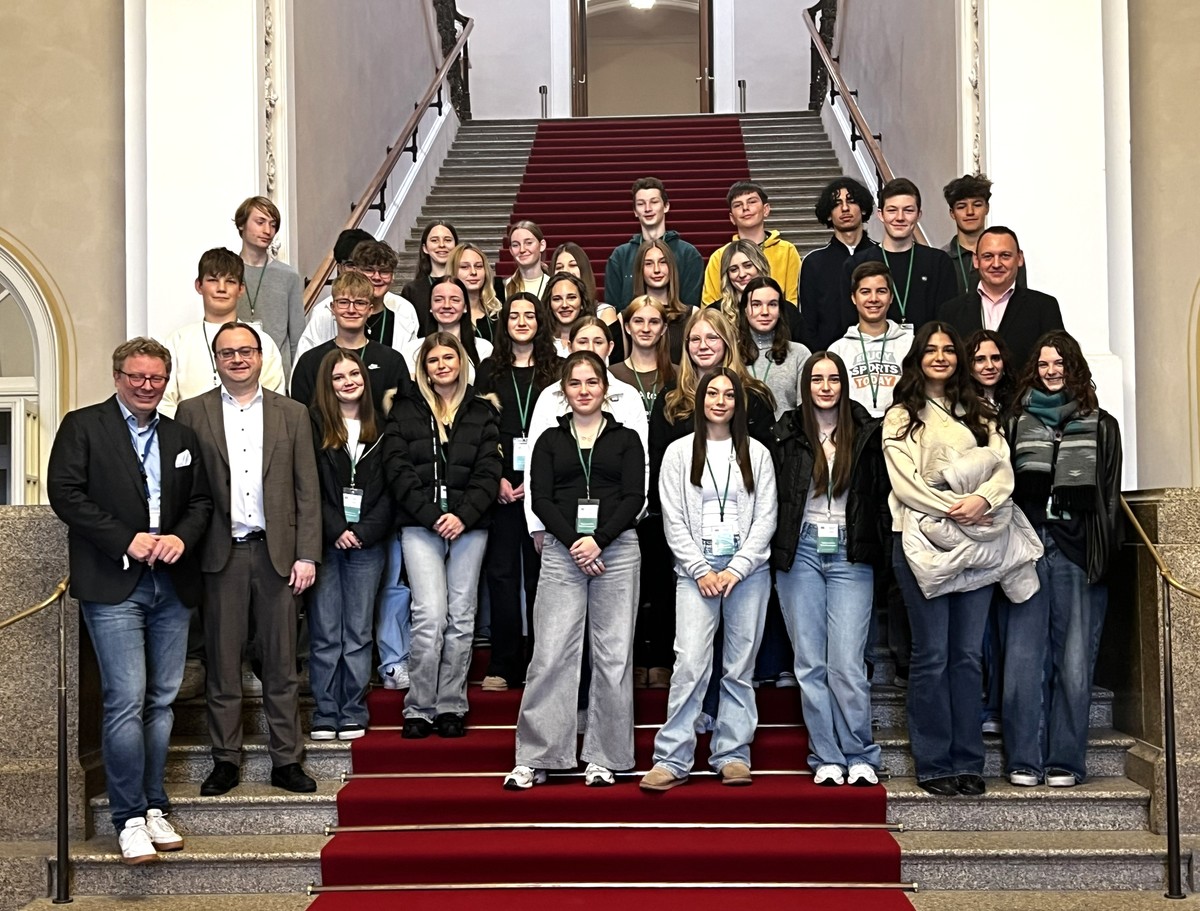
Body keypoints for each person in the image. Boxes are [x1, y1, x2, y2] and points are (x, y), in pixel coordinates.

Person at [47, 338, 213, 864]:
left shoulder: (181, 435)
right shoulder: (83, 425)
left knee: (162, 700)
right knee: (125, 698)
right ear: (118, 375)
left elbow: (202, 501)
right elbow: (65, 493)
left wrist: (181, 538)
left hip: (172, 584)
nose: (147, 387)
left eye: (156, 379)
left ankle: (154, 804)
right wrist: (126, 538)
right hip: (114, 583)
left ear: (167, 380)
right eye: (137, 377)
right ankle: (128, 818)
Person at [175, 322, 321, 797]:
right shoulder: (191, 413)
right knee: (221, 666)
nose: (237, 359)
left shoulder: (293, 413)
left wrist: (307, 555)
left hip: (278, 556)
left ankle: (286, 760)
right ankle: (225, 760)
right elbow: (185, 490)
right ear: (216, 360)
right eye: (227, 353)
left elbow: (308, 491)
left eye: (246, 351)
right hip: (220, 556)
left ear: (261, 357)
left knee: (281, 666)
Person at [882, 322, 1020, 798]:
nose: (940, 357)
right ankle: (935, 761)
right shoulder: (902, 415)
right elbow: (905, 483)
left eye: (948, 349)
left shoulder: (980, 412)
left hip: (978, 541)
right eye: (931, 350)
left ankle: (968, 760)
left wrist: (982, 501)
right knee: (933, 654)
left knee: (965, 656)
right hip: (922, 542)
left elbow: (1002, 468)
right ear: (918, 357)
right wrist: (950, 507)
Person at [505, 351, 645, 789]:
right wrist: (575, 543)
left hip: (616, 551)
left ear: (605, 388)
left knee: (613, 656)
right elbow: (541, 498)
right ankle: (537, 755)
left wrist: (598, 540)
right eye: (575, 384)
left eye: (592, 382)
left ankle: (606, 756)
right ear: (563, 392)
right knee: (550, 654)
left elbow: (634, 496)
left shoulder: (626, 439)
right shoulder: (549, 439)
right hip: (563, 553)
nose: (584, 391)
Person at [640, 369, 777, 791]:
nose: (720, 400)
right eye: (712, 393)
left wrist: (736, 569)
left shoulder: (757, 453)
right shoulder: (680, 453)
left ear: (739, 403)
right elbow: (672, 517)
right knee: (691, 663)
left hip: (747, 575)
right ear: (699, 401)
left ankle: (733, 753)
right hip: (695, 574)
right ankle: (672, 757)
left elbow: (766, 517)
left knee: (738, 667)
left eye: (729, 394)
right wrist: (701, 569)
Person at [1004, 331, 1122, 788]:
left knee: (1074, 664)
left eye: (1060, 365)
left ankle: (1065, 762)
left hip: (1077, 552)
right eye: (1044, 365)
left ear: (1075, 370)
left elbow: (1109, 500)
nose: (1051, 372)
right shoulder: (1015, 422)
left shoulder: (1102, 424)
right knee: (1022, 661)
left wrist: (1103, 558)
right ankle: (1024, 760)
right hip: (1028, 551)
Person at [772, 351, 887, 787]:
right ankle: (826, 754)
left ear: (844, 383)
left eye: (833, 378)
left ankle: (860, 752)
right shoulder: (785, 433)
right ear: (805, 386)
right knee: (809, 664)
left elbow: (877, 499)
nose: (824, 386)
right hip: (799, 553)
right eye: (816, 379)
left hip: (849, 554)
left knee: (846, 663)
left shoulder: (866, 433)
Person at [647, 310, 776, 689]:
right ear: (685, 347)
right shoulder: (671, 402)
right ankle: (689, 729)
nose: (703, 346)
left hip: (744, 548)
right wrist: (695, 562)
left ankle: (730, 738)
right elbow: (661, 477)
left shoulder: (753, 398)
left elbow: (765, 483)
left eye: (712, 338)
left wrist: (741, 561)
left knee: (738, 659)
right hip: (689, 545)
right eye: (695, 339)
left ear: (728, 343)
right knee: (692, 654)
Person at [385, 333, 502, 738]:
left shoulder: (482, 410)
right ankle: (418, 706)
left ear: (461, 362)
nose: (441, 365)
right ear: (424, 366)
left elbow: (489, 472)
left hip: (469, 526)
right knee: (430, 615)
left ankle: (451, 704)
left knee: (461, 616)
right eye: (433, 359)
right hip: (421, 525)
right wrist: (435, 515)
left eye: (448, 357)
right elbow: (397, 470)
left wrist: (462, 516)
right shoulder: (403, 410)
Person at [473, 293, 561, 691]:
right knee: (503, 574)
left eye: (530, 315)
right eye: (514, 316)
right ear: (503, 323)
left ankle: (544, 659)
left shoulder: (556, 370)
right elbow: (478, 429)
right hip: (502, 486)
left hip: (545, 489)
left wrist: (540, 483)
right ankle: (504, 662)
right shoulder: (490, 370)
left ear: (541, 321)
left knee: (543, 578)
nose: (522, 321)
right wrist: (496, 480)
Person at [307, 348, 394, 741]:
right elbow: (307, 487)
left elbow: (392, 490)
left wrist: (364, 531)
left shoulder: (385, 427)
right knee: (326, 632)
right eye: (339, 377)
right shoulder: (312, 426)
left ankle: (352, 708)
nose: (348, 382)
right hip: (326, 541)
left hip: (368, 544)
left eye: (354, 374)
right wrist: (337, 527)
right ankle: (326, 711)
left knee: (358, 632)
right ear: (328, 384)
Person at [160, 248, 285, 418]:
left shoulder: (263, 342)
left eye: (230, 281)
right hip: (189, 436)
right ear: (199, 286)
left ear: (241, 289)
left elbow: (274, 400)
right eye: (213, 280)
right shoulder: (178, 341)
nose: (221, 289)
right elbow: (164, 401)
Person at [938, 226, 1065, 374]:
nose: (996, 264)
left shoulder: (1044, 307)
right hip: (967, 396)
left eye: (1005, 255)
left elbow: (1059, 362)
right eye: (988, 256)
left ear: (1019, 258)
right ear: (976, 260)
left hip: (1024, 396)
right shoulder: (950, 311)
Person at [842, 178, 958, 332]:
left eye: (908, 210)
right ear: (881, 215)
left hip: (928, 352)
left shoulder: (938, 262)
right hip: (874, 352)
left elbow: (947, 321)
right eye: (892, 210)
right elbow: (848, 320)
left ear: (919, 215)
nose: (900, 217)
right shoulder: (856, 264)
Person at [289, 271, 411, 410]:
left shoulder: (392, 360)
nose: (351, 310)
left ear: (370, 310)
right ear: (332, 308)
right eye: (343, 302)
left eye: (360, 303)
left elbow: (404, 413)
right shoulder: (310, 361)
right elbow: (300, 415)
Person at [295, 238, 420, 363]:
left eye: (384, 271)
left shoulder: (405, 314)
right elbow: (305, 364)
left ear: (392, 277)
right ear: (356, 272)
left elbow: (411, 367)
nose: (377, 277)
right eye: (369, 270)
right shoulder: (325, 313)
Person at [828, 261, 914, 418]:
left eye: (881, 291)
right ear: (854, 298)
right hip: (854, 431)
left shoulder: (911, 344)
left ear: (891, 297)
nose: (873, 299)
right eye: (865, 292)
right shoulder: (837, 350)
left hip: (902, 429)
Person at [801, 177, 878, 350]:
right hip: (829, 357)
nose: (844, 208)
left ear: (864, 209)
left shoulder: (882, 255)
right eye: (837, 204)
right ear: (829, 213)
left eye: (851, 201)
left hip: (877, 352)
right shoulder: (813, 262)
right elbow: (808, 320)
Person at [605, 177, 704, 311]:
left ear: (666, 206)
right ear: (635, 211)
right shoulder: (620, 256)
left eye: (654, 202)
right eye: (641, 204)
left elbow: (691, 306)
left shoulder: (688, 254)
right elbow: (612, 307)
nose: (647, 209)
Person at [234, 196, 305, 376]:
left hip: (277, 375)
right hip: (234, 369)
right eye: (260, 222)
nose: (267, 230)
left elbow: (297, 337)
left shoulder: (288, 276)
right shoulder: (227, 273)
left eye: (273, 225)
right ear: (242, 224)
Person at [703, 181, 802, 305]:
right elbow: (710, 306)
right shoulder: (719, 256)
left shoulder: (787, 250)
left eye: (752, 202)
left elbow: (793, 299)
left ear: (766, 209)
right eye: (738, 205)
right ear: (732, 218)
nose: (745, 208)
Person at [736, 276, 812, 418]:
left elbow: (806, 412)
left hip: (788, 437)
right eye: (756, 304)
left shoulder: (799, 354)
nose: (765, 312)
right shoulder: (731, 354)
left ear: (780, 311)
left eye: (772, 304)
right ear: (745, 310)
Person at [941, 174, 1027, 295]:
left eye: (977, 205)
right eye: (961, 206)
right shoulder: (942, 259)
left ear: (987, 208)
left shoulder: (1009, 255)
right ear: (952, 213)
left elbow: (1022, 300)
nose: (970, 212)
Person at [402, 276, 493, 378]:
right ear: (430, 307)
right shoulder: (412, 350)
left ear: (465, 307)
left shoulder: (483, 348)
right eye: (438, 300)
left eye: (454, 300)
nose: (446, 305)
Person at [609, 295, 675, 420]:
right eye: (638, 321)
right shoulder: (611, 375)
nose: (646, 329)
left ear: (663, 329)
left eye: (654, 322)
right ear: (627, 327)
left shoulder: (679, 375)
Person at [630, 238, 695, 362]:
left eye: (663, 262)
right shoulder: (626, 316)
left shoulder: (692, 315)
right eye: (648, 263)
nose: (656, 270)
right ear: (640, 270)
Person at [401, 221, 459, 335]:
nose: (441, 245)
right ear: (425, 248)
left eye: (447, 240)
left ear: (456, 246)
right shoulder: (412, 290)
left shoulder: (465, 284)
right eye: (434, 240)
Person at [449, 242, 504, 344]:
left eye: (478, 266)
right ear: (453, 271)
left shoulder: (498, 312)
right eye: (465, 267)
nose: (473, 272)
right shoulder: (445, 313)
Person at [543, 272, 597, 357]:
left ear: (582, 302)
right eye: (557, 299)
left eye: (571, 298)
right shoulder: (540, 340)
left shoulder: (596, 337)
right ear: (549, 304)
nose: (564, 305)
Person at [967, 329, 1017, 415]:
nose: (990, 366)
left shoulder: (1020, 400)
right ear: (968, 365)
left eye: (995, 358)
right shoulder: (961, 404)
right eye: (980, 359)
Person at [504, 221, 550, 299]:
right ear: (511, 251)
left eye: (528, 243)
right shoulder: (504, 287)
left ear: (542, 245)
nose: (522, 250)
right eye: (515, 245)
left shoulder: (553, 284)